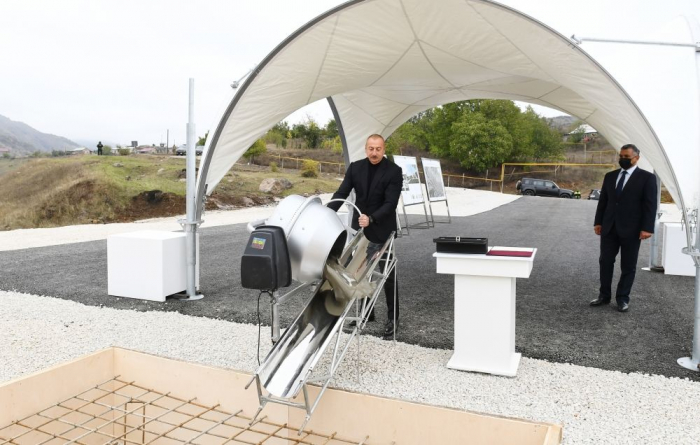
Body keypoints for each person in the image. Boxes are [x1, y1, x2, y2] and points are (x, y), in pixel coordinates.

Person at [327, 134, 403, 339]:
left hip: (382, 230)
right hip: (359, 230)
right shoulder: (356, 167)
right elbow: (341, 193)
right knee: (360, 272)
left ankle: (393, 318)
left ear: (383, 148)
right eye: (371, 148)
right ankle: (366, 314)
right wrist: (326, 212)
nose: (374, 152)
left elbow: (390, 203)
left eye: (378, 149)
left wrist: (372, 219)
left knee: (387, 275)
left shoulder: (394, 171)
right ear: (365, 148)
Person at [591, 144, 657, 312]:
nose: (623, 160)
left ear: (637, 158)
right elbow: (603, 202)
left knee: (628, 266)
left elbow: (650, 205)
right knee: (605, 262)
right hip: (609, 227)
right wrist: (598, 222)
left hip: (633, 229)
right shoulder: (610, 176)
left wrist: (647, 228)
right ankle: (604, 296)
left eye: (627, 157)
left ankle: (622, 298)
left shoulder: (647, 178)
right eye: (621, 156)